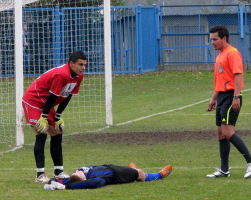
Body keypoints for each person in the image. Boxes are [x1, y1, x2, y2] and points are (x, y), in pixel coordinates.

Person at [22, 50, 87, 183]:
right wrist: (44, 117)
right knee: (42, 130)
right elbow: (52, 96)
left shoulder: (79, 76)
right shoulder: (62, 74)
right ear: (71, 64)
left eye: (84, 64)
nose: (83, 68)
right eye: (80, 64)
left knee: (57, 131)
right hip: (33, 100)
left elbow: (68, 95)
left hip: (46, 103)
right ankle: (40, 175)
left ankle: (59, 172)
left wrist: (57, 115)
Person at [206, 25, 251, 179]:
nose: (212, 42)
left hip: (231, 97)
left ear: (224, 38)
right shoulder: (220, 55)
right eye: (211, 39)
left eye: (215, 39)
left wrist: (236, 97)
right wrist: (213, 99)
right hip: (222, 97)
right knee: (221, 134)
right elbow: (221, 79)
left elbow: (238, 75)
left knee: (228, 132)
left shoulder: (232, 53)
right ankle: (224, 169)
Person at [43, 163, 173, 190]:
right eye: (76, 173)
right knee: (139, 173)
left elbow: (61, 180)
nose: (75, 171)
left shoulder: (74, 176)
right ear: (84, 179)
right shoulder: (96, 178)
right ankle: (159, 175)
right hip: (117, 174)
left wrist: (50, 182)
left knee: (134, 170)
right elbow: (95, 184)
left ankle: (132, 169)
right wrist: (65, 189)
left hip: (109, 165)